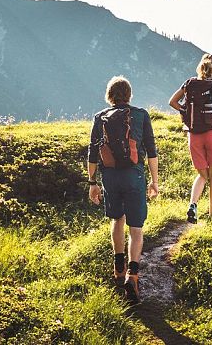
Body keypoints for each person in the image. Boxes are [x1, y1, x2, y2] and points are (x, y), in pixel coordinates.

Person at [87, 75, 159, 303]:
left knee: (117, 220)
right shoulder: (141, 115)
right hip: (134, 177)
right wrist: (154, 181)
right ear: (129, 95)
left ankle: (119, 269)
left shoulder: (100, 117)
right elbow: (151, 151)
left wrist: (92, 183)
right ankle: (133, 275)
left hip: (110, 177)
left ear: (109, 96)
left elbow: (92, 154)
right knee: (136, 228)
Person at [168, 53, 212, 224]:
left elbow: (172, 101)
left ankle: (193, 204)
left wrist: (185, 111)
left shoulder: (189, 83)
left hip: (194, 135)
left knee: (202, 175)